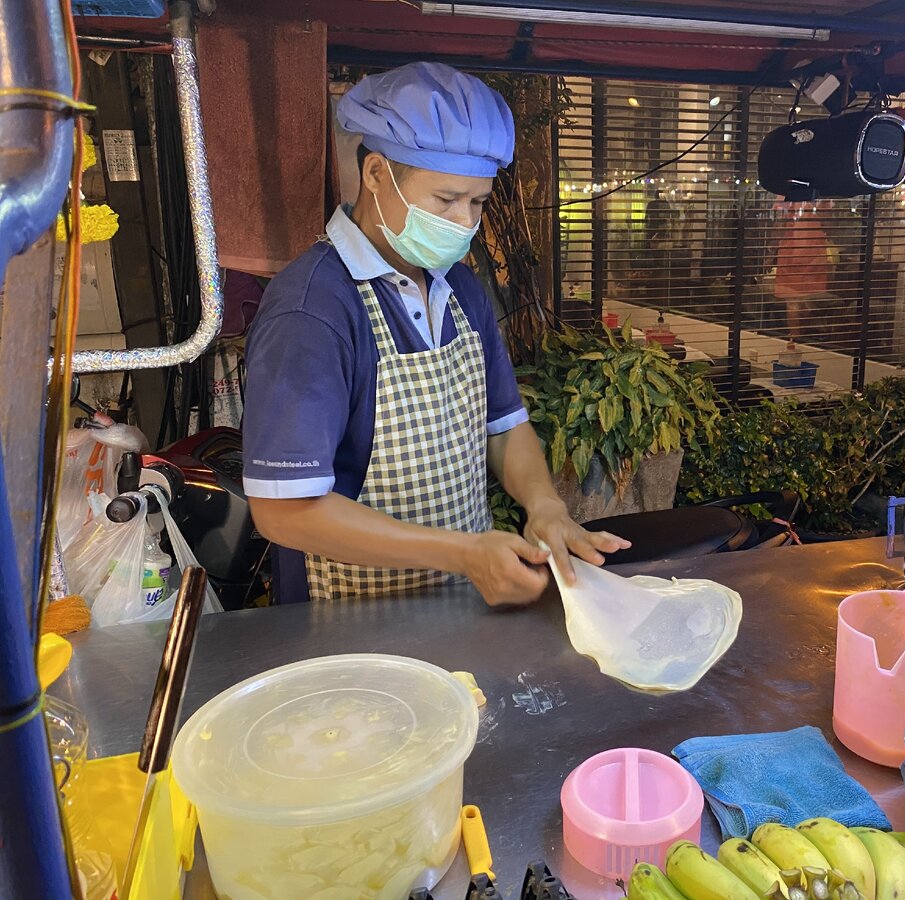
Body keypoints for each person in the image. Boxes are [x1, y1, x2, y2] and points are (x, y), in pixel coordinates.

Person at [242, 62, 626, 606]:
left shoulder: (460, 287)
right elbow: (283, 511)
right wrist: (460, 553)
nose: (464, 221)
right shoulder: (313, 309)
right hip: (347, 615)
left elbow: (503, 425)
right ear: (376, 173)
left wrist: (545, 506)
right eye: (445, 200)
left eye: (477, 202)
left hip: (462, 601)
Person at [773, 199, 835, 343]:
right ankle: (797, 339)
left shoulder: (787, 191)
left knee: (796, 300)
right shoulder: (821, 192)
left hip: (798, 251)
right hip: (809, 251)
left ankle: (795, 338)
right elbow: (829, 221)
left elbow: (778, 224)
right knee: (802, 299)